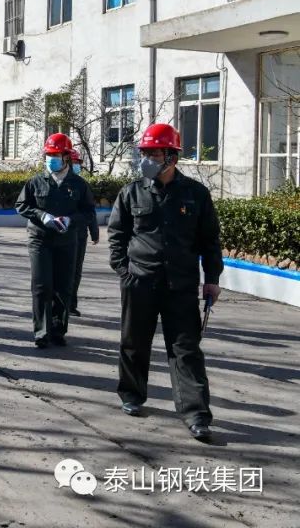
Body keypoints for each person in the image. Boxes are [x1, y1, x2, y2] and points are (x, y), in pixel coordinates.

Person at [108, 123, 222, 442]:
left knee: (186, 349)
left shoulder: (196, 194)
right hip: (139, 282)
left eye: (154, 154)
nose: (147, 159)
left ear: (172, 156)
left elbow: (210, 240)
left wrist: (212, 279)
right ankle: (132, 395)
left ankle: (196, 414)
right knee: (134, 342)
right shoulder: (131, 192)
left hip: (181, 285)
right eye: (145, 153)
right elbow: (117, 235)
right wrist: (124, 271)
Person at [14, 133, 96, 348]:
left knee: (63, 286)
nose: (51, 159)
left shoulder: (79, 184)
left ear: (66, 157)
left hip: (67, 240)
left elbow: (88, 212)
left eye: (56, 155)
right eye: (49, 155)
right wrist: (42, 216)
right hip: (40, 239)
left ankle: (58, 330)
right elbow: (21, 205)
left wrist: (70, 220)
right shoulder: (35, 181)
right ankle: (41, 332)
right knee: (41, 285)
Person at [68, 149, 99, 317]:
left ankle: (71, 304)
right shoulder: (55, 183)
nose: (76, 166)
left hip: (79, 234)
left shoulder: (82, 185)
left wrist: (94, 232)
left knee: (76, 270)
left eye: (78, 163)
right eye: (74, 163)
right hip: (61, 233)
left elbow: (90, 210)